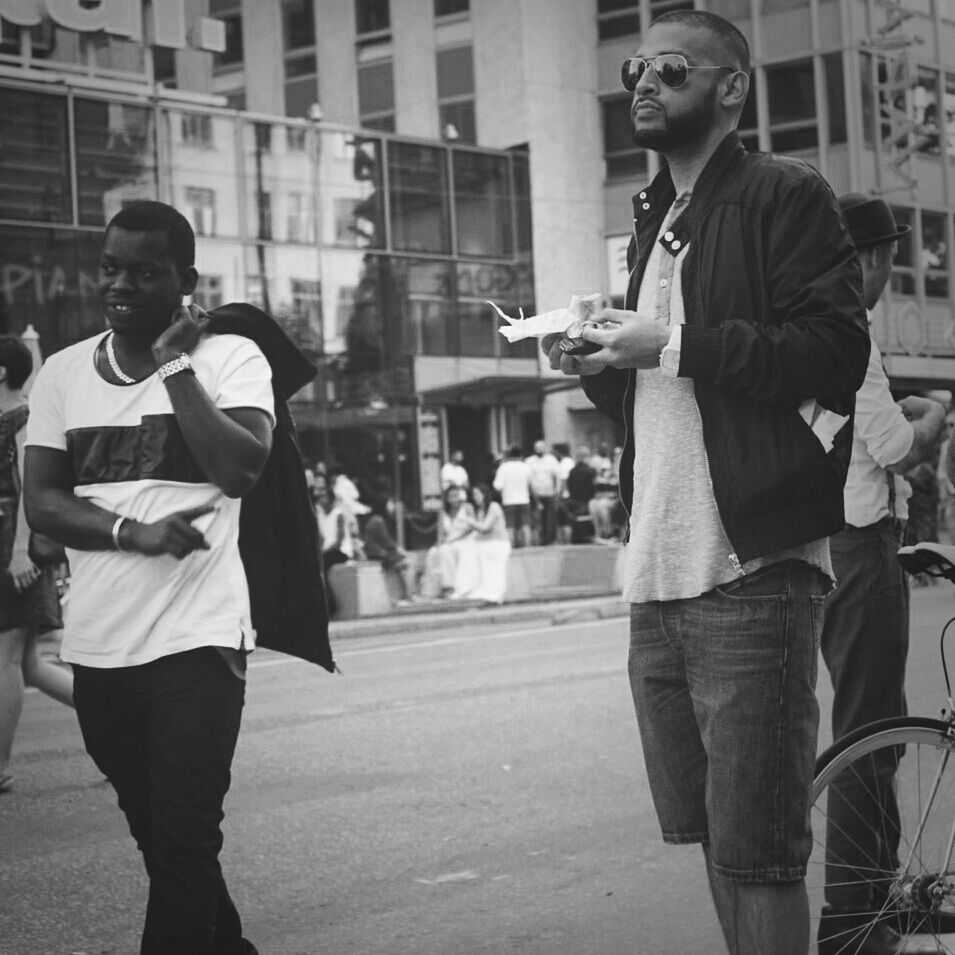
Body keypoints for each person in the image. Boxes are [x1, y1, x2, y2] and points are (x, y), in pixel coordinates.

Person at [542, 11, 869, 954]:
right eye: (634, 67)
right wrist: (601, 362)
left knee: (760, 853)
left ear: (730, 87)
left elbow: (833, 352)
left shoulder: (782, 193)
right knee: (718, 843)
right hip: (656, 568)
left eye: (671, 68)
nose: (642, 81)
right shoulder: (658, 216)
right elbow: (665, 408)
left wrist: (670, 341)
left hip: (749, 565)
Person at [22, 201, 275, 955]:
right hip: (100, 651)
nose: (120, 284)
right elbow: (44, 504)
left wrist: (174, 364)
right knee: (163, 843)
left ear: (184, 280)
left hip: (197, 642)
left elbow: (238, 470)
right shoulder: (64, 374)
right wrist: (133, 533)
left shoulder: (231, 359)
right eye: (110, 268)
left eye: (143, 270)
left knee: (185, 840)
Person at [817, 194, 948, 953]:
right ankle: (853, 915)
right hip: (860, 545)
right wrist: (929, 421)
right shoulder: (850, 330)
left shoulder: (817, 322)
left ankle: (873, 893)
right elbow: (894, 448)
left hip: (846, 542)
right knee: (869, 733)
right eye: (891, 256)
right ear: (871, 258)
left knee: (875, 728)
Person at [0, 336, 74, 793]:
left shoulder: (23, 416)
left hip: (14, 542)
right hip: (7, 543)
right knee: (27, 664)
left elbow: (33, 485)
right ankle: (120, 724)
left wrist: (23, 548)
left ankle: (1, 766)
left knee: (6, 657)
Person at [460, 483, 511, 604]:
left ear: (484, 494)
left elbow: (485, 528)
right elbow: (477, 533)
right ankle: (466, 587)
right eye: (473, 495)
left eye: (477, 494)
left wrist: (470, 520)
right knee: (467, 550)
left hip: (498, 544)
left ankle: (494, 594)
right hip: (486, 544)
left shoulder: (494, 507)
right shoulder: (481, 511)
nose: (475, 497)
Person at [422, 486, 476, 598]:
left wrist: (453, 540)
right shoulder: (443, 512)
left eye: (457, 495)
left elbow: (471, 528)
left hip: (465, 540)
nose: (455, 499)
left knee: (445, 551)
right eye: (452, 496)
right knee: (432, 552)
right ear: (447, 499)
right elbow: (441, 533)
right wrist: (439, 543)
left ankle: (449, 586)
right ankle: (432, 589)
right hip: (449, 541)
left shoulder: (467, 507)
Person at [362, 495, 413, 606]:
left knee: (402, 561)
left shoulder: (377, 519)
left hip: (379, 553)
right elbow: (385, 541)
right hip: (378, 554)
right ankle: (404, 595)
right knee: (403, 563)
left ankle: (405, 595)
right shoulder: (377, 520)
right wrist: (398, 551)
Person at [493, 445, 533, 548]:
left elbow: (497, 486)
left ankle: (511, 546)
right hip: (524, 499)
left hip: (509, 500)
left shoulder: (503, 467)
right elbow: (530, 484)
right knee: (526, 524)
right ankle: (527, 546)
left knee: (509, 526)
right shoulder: (526, 467)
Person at [525, 440, 561, 545]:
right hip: (535, 495)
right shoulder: (529, 461)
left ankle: (550, 539)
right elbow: (528, 479)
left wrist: (557, 492)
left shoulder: (551, 460)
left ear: (545, 448)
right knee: (537, 518)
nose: (539, 450)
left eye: (541, 448)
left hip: (549, 494)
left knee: (550, 517)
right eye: (537, 448)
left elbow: (558, 477)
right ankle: (539, 539)